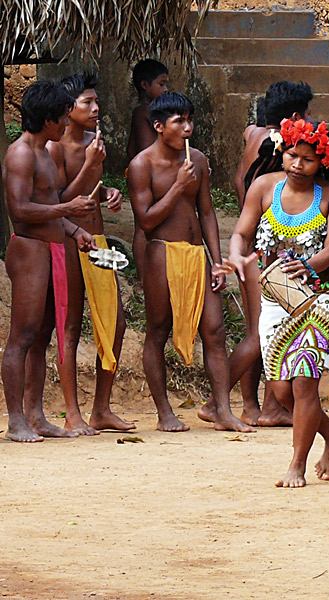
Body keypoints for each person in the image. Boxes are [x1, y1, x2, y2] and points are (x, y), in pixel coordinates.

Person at [221, 118, 329, 487]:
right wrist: (237, 256)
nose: (297, 164)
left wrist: (304, 266)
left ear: (324, 163)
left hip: (323, 297)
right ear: (281, 152)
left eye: (307, 159)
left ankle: (297, 464)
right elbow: (241, 233)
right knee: (283, 391)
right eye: (291, 155)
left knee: (304, 383)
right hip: (275, 298)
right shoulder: (263, 187)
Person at [127, 92, 252, 433]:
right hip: (161, 254)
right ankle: (165, 411)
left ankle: (223, 410)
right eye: (178, 122)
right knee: (158, 330)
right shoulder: (142, 165)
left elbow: (207, 212)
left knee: (214, 330)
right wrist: (178, 186)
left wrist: (217, 261)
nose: (187, 128)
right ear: (158, 126)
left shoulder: (196, 158)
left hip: (197, 255)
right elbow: (146, 220)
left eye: (189, 120)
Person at [1, 80, 98, 442]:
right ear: (47, 119)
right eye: (60, 117)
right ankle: (16, 421)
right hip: (29, 249)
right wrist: (67, 209)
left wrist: (73, 230)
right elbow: (20, 209)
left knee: (42, 336)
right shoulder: (22, 153)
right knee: (22, 337)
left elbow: (48, 202)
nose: (64, 122)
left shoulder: (44, 151)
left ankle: (36, 415)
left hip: (50, 247)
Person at [214, 80, 312, 427]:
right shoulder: (281, 151)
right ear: (297, 117)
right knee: (262, 334)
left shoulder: (252, 135)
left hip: (252, 244)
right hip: (263, 249)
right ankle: (217, 400)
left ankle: (258, 405)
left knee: (264, 329)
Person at [46, 73, 134, 435]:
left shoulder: (93, 141)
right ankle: (71, 412)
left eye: (97, 101)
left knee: (115, 323)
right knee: (69, 325)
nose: (96, 109)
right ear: (69, 108)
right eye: (88, 103)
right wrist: (88, 165)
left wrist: (109, 192)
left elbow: (92, 191)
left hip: (95, 238)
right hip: (67, 238)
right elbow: (58, 203)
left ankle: (102, 408)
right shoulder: (55, 148)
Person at [126, 59, 169, 281]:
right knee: (143, 227)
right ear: (145, 85)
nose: (165, 89)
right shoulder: (144, 112)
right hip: (145, 175)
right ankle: (144, 279)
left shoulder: (146, 111)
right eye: (161, 84)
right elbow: (144, 148)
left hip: (145, 173)